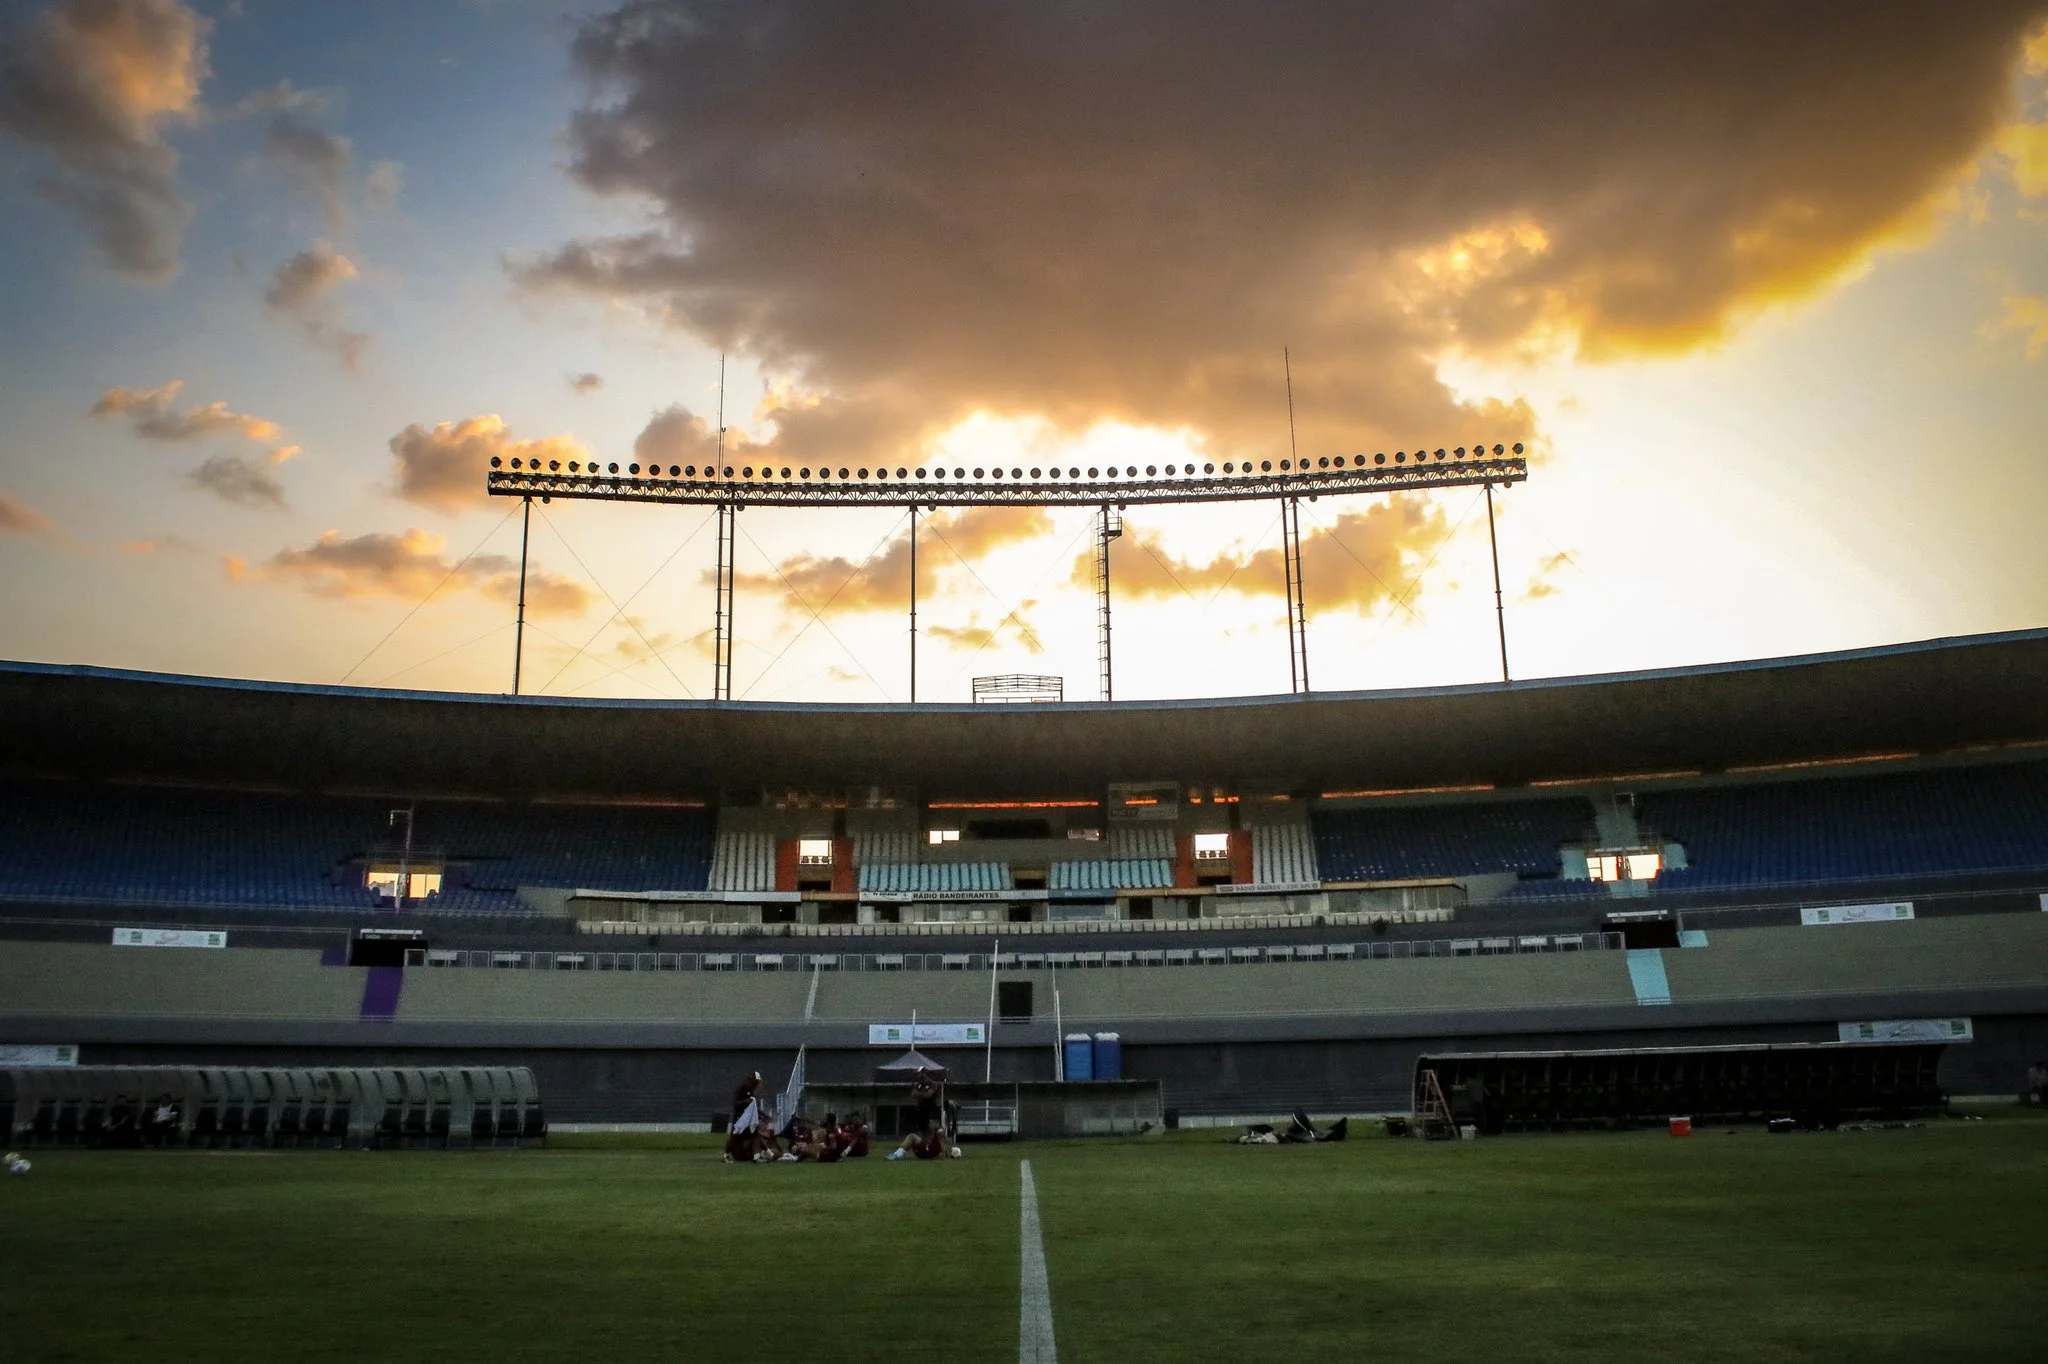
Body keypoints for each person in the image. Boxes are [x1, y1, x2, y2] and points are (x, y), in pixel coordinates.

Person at [724, 1071, 765, 1163]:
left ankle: (756, 1156)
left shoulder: (750, 1091)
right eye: (756, 1082)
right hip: (740, 1117)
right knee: (735, 1135)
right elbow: (735, 1103)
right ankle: (726, 1155)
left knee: (755, 1133)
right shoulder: (742, 1088)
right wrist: (745, 1102)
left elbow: (753, 1108)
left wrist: (763, 1115)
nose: (757, 1085)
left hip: (747, 1118)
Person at [885, 1118, 957, 1160]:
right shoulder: (934, 1132)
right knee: (912, 1138)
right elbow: (944, 1145)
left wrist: (944, 1155)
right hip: (928, 1153)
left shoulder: (939, 1132)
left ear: (936, 1124)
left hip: (928, 1153)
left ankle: (898, 1155)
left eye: (931, 1122)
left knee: (912, 1136)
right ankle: (898, 1154)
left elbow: (943, 1145)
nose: (930, 1124)